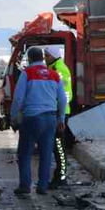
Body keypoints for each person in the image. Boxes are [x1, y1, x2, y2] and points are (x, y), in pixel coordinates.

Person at [8, 45, 67, 197]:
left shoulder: (27, 73)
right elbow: (62, 99)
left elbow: (18, 98)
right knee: (46, 153)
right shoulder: (54, 75)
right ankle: (42, 186)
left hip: (31, 118)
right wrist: (61, 118)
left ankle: (25, 185)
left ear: (30, 59)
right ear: (42, 58)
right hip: (50, 119)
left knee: (25, 153)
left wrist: (14, 118)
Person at [45, 48, 73, 187]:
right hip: (56, 112)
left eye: (47, 55)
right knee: (56, 146)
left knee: (59, 146)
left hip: (60, 113)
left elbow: (65, 95)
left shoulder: (60, 70)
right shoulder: (53, 68)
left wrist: (60, 115)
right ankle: (59, 175)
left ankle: (61, 177)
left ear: (54, 56)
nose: (45, 58)